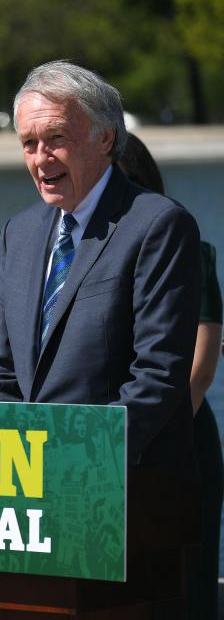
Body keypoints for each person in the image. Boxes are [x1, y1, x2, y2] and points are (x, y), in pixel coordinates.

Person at [0, 60, 201, 477]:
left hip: (119, 489)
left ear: (105, 138)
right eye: (29, 143)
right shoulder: (19, 232)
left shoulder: (158, 225)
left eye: (56, 138)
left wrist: (74, 461)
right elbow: (2, 368)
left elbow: (158, 375)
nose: (41, 158)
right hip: (26, 487)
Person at [117, 132, 222, 619]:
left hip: (180, 441)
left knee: (185, 584)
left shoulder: (188, 249)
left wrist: (146, 442)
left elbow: (199, 369)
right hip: (113, 447)